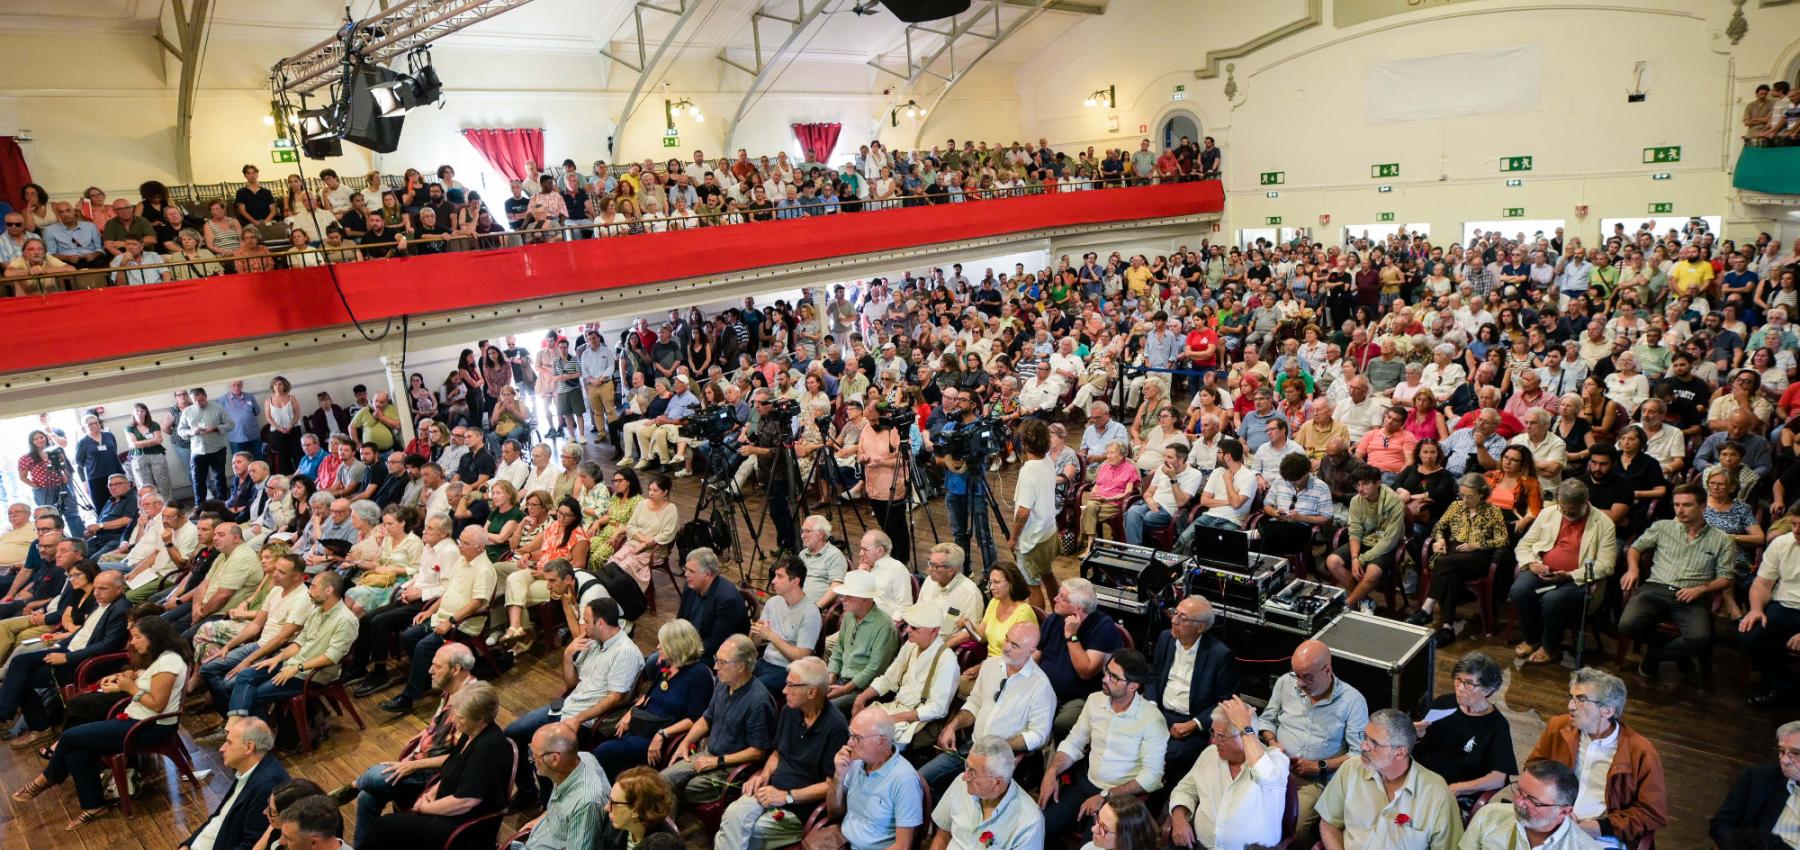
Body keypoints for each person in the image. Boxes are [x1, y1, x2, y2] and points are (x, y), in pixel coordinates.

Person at [12, 613, 189, 831]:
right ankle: (94, 805)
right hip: (136, 719)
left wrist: (129, 688)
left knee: (69, 736)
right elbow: (148, 681)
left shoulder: (169, 662)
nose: (133, 642)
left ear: (154, 637)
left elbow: (158, 705)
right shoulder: (162, 658)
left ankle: (47, 778)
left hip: (149, 728)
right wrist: (129, 677)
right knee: (76, 754)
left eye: (137, 637)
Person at [506, 597, 641, 808]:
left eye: (586, 621)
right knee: (512, 734)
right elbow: (571, 682)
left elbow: (616, 697)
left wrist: (578, 719)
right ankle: (528, 793)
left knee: (543, 754)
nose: (583, 626)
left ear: (601, 623)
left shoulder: (626, 652)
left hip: (586, 720)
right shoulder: (593, 643)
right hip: (567, 707)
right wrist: (568, 655)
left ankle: (549, 806)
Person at [342, 642, 477, 848]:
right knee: (366, 798)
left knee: (377, 776)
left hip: (436, 774)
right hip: (421, 758)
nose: (430, 670)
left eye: (437, 666)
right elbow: (438, 726)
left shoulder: (469, 704)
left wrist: (413, 765)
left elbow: (460, 758)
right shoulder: (451, 689)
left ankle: (352, 786)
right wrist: (422, 735)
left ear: (456, 669)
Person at [715, 656, 850, 850]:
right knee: (732, 815)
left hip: (798, 806)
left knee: (750, 832)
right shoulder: (789, 710)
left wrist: (787, 796)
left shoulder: (836, 727)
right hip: (770, 790)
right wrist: (764, 775)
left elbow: (830, 785)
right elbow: (778, 753)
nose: (784, 690)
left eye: (791, 685)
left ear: (811, 692)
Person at [1526, 668, 1668, 849]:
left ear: (1607, 711)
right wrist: (1553, 806)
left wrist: (1598, 827)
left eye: (1581, 700)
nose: (1570, 706)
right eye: (1571, 697)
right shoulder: (1558, 726)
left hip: (1600, 838)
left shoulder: (1641, 752)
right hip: (1548, 823)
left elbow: (1652, 813)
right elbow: (1533, 769)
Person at [365, 680, 513, 850]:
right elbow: (452, 768)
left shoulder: (487, 749)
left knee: (385, 826)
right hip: (446, 808)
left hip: (464, 827)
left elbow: (466, 801)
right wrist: (431, 792)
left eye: (461, 717)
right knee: (380, 807)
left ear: (481, 720)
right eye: (455, 712)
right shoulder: (469, 733)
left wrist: (426, 808)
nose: (454, 719)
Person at [1037, 648, 1169, 837]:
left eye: (1114, 677)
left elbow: (1152, 777)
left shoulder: (1152, 720)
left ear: (1133, 686)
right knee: (1039, 827)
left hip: (1122, 798)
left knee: (1094, 843)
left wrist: (1106, 795)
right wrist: (1052, 771)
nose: (1105, 678)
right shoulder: (1094, 700)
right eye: (1107, 671)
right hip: (1087, 784)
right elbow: (1074, 743)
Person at [1255, 638, 1370, 845]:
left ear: (1327, 670)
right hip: (1275, 767)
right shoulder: (1285, 683)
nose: (1299, 683)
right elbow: (1267, 719)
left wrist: (1319, 765)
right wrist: (1272, 742)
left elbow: (1359, 754)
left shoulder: (1352, 701)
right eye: (1296, 675)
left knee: (1293, 827)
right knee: (1249, 810)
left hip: (1314, 781)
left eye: (1307, 677)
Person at [1620, 483, 1737, 685]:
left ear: (1703, 507)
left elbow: (1726, 578)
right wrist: (1633, 568)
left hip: (1691, 595)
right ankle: (1672, 653)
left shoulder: (1722, 539)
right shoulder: (1662, 527)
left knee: (1699, 638)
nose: (1680, 510)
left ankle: (1654, 656)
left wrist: (1701, 589)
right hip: (1655, 588)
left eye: (1687, 505)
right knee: (1627, 625)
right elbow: (1635, 548)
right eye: (1676, 505)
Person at [0, 568, 129, 735]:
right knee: (20, 662)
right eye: (95, 588)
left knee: (23, 674)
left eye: (102, 589)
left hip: (82, 661)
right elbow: (84, 631)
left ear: (119, 589)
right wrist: (60, 640)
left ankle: (29, 724)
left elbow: (108, 645)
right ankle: (10, 716)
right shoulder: (101, 602)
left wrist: (67, 657)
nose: (96, 593)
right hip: (68, 648)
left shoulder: (121, 609)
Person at [382, 526, 496, 714]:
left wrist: (450, 621)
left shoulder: (484, 569)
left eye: (465, 543)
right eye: (460, 541)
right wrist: (430, 611)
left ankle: (408, 698)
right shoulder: (461, 560)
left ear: (478, 547)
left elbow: (478, 602)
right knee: (409, 636)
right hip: (441, 617)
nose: (459, 546)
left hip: (462, 624)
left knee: (423, 647)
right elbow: (447, 591)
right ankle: (427, 679)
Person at [1316, 708, 1462, 850]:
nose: (1363, 746)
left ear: (1399, 753)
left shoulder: (1437, 794)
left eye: (1374, 743)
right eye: (1365, 736)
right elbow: (1329, 822)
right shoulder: (1350, 769)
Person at [660, 633, 777, 808]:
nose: (715, 666)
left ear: (740, 666)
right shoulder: (723, 683)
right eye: (716, 660)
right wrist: (685, 742)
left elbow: (757, 752)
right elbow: (706, 718)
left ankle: (663, 822)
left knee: (680, 789)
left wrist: (718, 761)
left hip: (731, 768)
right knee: (662, 780)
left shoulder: (758, 701)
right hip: (708, 754)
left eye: (722, 662)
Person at [1510, 481, 1618, 666]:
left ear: (1585, 503)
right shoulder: (1548, 513)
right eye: (1563, 508)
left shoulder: (1604, 523)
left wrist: (1571, 575)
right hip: (1542, 571)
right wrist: (1532, 563)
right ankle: (1532, 639)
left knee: (1553, 600)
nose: (1566, 513)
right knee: (1519, 591)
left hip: (1579, 579)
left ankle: (1550, 647)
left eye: (1572, 511)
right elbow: (1524, 545)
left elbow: (1606, 565)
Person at [1167, 696, 1291, 850]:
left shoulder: (1276, 760)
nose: (1214, 742)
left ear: (1245, 735)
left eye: (1221, 736)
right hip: (1199, 845)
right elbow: (1185, 788)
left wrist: (1244, 726)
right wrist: (1179, 817)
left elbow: (1264, 774)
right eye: (1213, 733)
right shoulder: (1210, 753)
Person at [593, 619, 711, 777]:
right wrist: (631, 711)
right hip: (642, 725)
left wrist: (662, 734)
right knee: (602, 746)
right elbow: (648, 695)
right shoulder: (668, 665)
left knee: (604, 752)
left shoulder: (700, 675)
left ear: (677, 646)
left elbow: (694, 719)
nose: (658, 647)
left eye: (662, 643)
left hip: (662, 737)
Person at [1412, 474, 1509, 643]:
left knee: (1443, 562)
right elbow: (1438, 527)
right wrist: (1440, 539)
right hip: (1454, 554)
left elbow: (1503, 540)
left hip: (1478, 556)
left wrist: (1478, 544)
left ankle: (1427, 608)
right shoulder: (1456, 506)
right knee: (1451, 574)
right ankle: (1447, 627)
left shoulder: (1493, 511)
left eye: (1469, 496)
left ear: (1481, 494)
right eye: (1462, 495)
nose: (1465, 500)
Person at [850, 600, 960, 748]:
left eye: (914, 627)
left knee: (869, 741)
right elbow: (889, 679)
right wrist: (862, 697)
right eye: (908, 625)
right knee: (855, 730)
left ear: (934, 630)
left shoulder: (947, 660)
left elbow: (937, 708)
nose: (908, 629)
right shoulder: (910, 645)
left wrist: (896, 718)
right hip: (895, 708)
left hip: (918, 720)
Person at [1149, 595, 1237, 778]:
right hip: (1158, 712)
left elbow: (1225, 702)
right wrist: (1151, 706)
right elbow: (1153, 675)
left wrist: (1194, 724)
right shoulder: (1166, 638)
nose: (1174, 620)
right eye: (1175, 613)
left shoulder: (1219, 655)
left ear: (1200, 627)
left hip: (1191, 722)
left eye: (1183, 618)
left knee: (1167, 754)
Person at [1412, 652, 1515, 802]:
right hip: (1419, 778)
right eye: (1458, 679)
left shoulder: (1497, 725)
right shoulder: (1443, 703)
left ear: (1487, 690)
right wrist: (1417, 735)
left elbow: (1498, 778)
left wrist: (1459, 788)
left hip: (1452, 791)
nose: (1460, 688)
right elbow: (1418, 743)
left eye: (1469, 683)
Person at [825, 707, 926, 850]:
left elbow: (902, 846)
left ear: (881, 741)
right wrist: (839, 776)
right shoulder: (855, 762)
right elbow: (834, 813)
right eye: (851, 735)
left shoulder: (905, 779)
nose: (849, 743)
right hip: (840, 843)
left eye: (857, 738)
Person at [1038, 577, 1124, 735]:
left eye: (1062, 597)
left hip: (1080, 696)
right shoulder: (1054, 619)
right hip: (1045, 689)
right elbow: (1036, 654)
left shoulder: (1102, 627)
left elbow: (1085, 671)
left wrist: (1071, 635)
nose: (1055, 599)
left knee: (1063, 722)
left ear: (1077, 608)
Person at [928, 735, 1044, 850]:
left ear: (997, 783)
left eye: (973, 772)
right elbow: (943, 836)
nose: (964, 777)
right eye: (967, 765)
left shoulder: (1029, 824)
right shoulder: (960, 784)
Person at [1462, 759, 1601, 850]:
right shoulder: (1489, 815)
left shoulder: (1583, 847)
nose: (1518, 802)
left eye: (1532, 801)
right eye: (1519, 791)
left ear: (1563, 812)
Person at [517, 722, 608, 850]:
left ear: (555, 759)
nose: (532, 759)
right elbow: (562, 806)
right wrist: (542, 819)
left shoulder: (586, 804)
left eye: (534, 756)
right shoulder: (581, 758)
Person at [1326, 465, 1403, 613]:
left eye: (1365, 484)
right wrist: (1355, 558)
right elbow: (1355, 531)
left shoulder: (1394, 502)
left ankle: (1347, 604)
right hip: (1365, 540)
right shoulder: (1356, 500)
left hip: (1385, 545)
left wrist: (1362, 559)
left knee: (1372, 572)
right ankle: (1365, 600)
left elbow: (1389, 540)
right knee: (1332, 561)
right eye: (1357, 485)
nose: (1360, 489)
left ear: (1378, 483)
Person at [1742, 517, 1800, 707]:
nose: (1796, 530)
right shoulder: (1782, 543)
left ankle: (1779, 686)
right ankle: (1785, 685)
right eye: (1794, 524)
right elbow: (1762, 584)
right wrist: (1756, 609)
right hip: (1784, 607)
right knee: (1749, 635)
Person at [824, 571, 901, 713]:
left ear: (864, 599)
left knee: (825, 709)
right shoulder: (849, 617)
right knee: (806, 698)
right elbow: (838, 651)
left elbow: (875, 669)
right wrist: (830, 678)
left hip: (863, 688)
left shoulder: (884, 626)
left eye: (848, 596)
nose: (842, 599)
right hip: (842, 679)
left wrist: (844, 689)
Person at [751, 558, 821, 692]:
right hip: (765, 660)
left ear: (795, 581)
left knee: (751, 690)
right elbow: (755, 641)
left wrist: (771, 636)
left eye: (780, 576)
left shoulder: (810, 613)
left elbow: (802, 656)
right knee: (730, 677)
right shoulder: (773, 602)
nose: (773, 581)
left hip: (788, 670)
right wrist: (755, 633)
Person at [679, 547, 751, 662]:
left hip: (713, 655)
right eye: (685, 569)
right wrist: (671, 644)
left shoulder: (727, 600)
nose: (686, 574)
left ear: (707, 574)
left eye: (691, 571)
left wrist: (683, 654)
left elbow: (715, 643)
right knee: (653, 662)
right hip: (689, 646)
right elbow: (680, 620)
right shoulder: (690, 586)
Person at [594, 767, 681, 850]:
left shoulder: (664, 845)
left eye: (614, 803)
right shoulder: (614, 823)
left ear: (637, 810)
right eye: (609, 799)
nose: (606, 808)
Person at [1083, 793, 1158, 850]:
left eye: (1104, 829)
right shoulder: (1091, 847)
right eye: (1097, 818)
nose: (1093, 829)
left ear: (1127, 838)